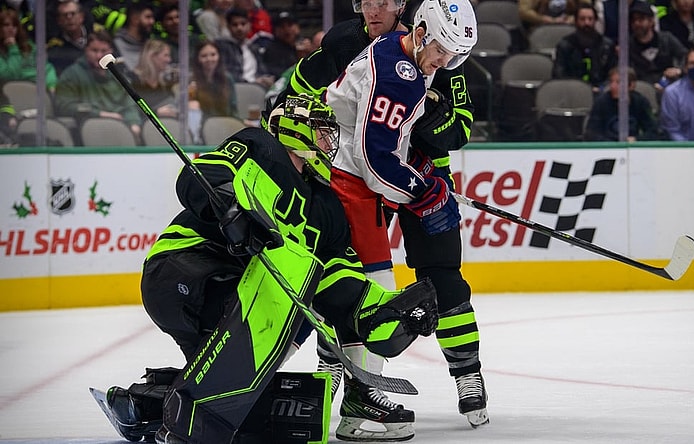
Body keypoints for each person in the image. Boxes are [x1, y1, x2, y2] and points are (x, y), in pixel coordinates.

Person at [99, 94, 439, 444]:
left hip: (229, 294)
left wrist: (382, 312)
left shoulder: (327, 208)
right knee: (275, 300)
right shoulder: (259, 148)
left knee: (237, 399)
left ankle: (145, 406)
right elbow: (196, 178)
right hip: (187, 266)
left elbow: (336, 279)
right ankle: (191, 428)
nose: (328, 141)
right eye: (322, 131)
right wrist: (230, 206)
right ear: (296, 128)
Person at [277, 0, 483, 438]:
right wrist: (424, 189)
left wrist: (423, 163)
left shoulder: (411, 52)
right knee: (368, 294)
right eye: (367, 0)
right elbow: (373, 154)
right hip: (367, 182)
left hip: (389, 175)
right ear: (424, 30)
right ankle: (353, 392)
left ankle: (464, 374)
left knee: (433, 278)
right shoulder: (391, 65)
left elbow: (456, 128)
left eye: (385, 1)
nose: (374, 8)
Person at [55, 30, 142, 141]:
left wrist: (133, 123)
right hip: (85, 134)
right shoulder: (71, 75)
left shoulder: (119, 76)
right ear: (86, 50)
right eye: (94, 50)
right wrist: (100, 114)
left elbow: (130, 105)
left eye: (104, 51)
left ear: (111, 51)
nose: (99, 56)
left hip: (121, 133)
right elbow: (64, 106)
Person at [552, 3, 618, 93]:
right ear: (575, 21)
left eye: (590, 19)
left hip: (600, 92)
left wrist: (601, 88)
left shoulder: (607, 45)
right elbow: (559, 74)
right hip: (571, 92)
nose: (587, 23)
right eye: (582, 19)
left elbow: (613, 74)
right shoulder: (565, 45)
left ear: (595, 21)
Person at [584, 67, 662, 141]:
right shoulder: (601, 102)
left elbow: (654, 131)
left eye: (618, 82)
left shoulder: (640, 101)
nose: (612, 86)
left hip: (632, 148)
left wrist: (637, 140)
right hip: (607, 148)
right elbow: (591, 133)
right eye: (611, 82)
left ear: (631, 85)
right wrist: (613, 144)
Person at [629, 0, 688, 88]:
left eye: (641, 19)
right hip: (642, 88)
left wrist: (679, 70)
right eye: (633, 20)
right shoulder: (627, 46)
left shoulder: (666, 39)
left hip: (669, 85)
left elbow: (686, 56)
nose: (636, 23)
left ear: (651, 21)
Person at [188, 40, 239, 141]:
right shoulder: (191, 80)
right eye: (204, 56)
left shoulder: (227, 79)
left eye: (213, 55)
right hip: (200, 133)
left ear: (219, 56)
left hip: (225, 129)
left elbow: (233, 109)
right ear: (197, 59)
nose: (209, 59)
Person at [0, 8, 57, 92]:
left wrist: (51, 84)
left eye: (14, 25)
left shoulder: (29, 46)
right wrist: (13, 48)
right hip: (8, 95)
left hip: (37, 92)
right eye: (6, 25)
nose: (11, 29)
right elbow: (11, 75)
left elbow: (46, 68)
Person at [215, 8, 274, 88]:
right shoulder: (222, 46)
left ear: (249, 25)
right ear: (228, 27)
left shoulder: (254, 47)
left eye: (243, 24)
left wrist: (267, 79)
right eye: (235, 25)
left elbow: (262, 71)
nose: (239, 28)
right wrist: (252, 82)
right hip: (237, 88)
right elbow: (226, 75)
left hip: (259, 88)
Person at [130, 39, 178, 119]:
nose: (169, 60)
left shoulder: (165, 85)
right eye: (166, 55)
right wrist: (156, 112)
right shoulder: (134, 82)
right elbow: (131, 112)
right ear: (152, 56)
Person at [46, 0, 90, 75]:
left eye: (72, 14)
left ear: (81, 16)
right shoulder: (55, 49)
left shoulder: (97, 36)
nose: (69, 18)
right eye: (65, 15)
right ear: (59, 20)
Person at [113, 3, 156, 74]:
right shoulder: (115, 45)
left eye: (152, 17)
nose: (152, 21)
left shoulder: (150, 45)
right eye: (148, 17)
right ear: (134, 18)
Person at [261, 11, 302, 78]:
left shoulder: (304, 45)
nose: (286, 30)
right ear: (275, 30)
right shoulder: (271, 50)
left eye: (290, 25)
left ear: (298, 27)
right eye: (282, 27)